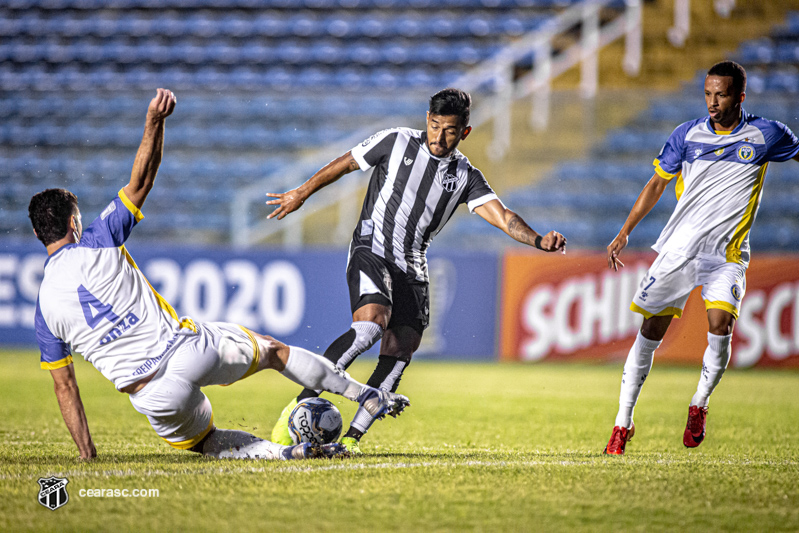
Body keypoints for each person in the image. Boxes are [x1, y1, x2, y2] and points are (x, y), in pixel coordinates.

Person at [30, 89, 409, 462]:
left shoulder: (45, 308)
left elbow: (65, 386)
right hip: (189, 351)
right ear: (73, 222)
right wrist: (154, 122)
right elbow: (141, 182)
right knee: (275, 352)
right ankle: (364, 394)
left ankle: (286, 453)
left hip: (152, 396)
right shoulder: (98, 240)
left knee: (205, 442)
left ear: (36, 234)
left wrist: (86, 453)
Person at [266, 88, 567, 453]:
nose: (440, 137)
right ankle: (295, 409)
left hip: (413, 266)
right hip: (371, 248)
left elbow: (503, 216)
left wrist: (537, 240)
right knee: (369, 325)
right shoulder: (396, 141)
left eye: (451, 130)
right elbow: (347, 162)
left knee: (399, 352)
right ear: (427, 119)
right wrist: (302, 192)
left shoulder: (465, 176)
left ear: (465, 132)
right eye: (435, 126)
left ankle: (350, 441)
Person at [603, 61, 799, 455]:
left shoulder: (766, 134)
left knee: (721, 324)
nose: (713, 102)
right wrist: (625, 230)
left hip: (727, 254)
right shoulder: (686, 135)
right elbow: (657, 182)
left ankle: (699, 403)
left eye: (721, 94)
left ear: (740, 96)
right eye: (708, 93)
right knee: (650, 332)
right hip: (679, 250)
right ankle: (623, 422)